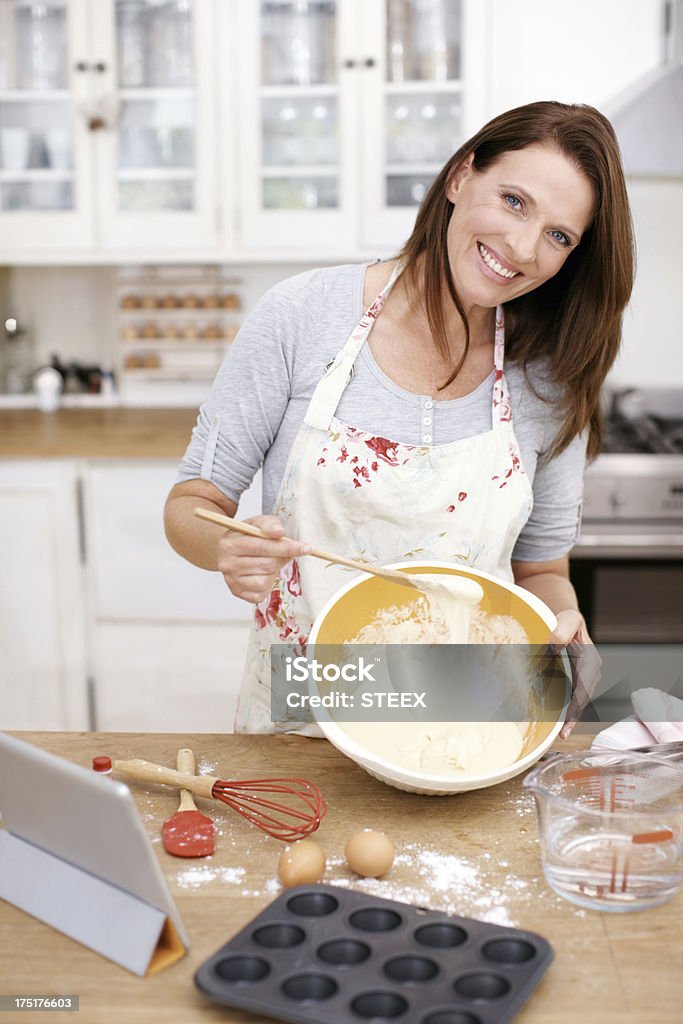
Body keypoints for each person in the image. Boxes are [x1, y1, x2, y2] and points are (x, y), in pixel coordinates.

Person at [165, 101, 634, 736]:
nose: (522, 248)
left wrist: (562, 621)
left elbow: (542, 571)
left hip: (470, 720)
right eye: (514, 201)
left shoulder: (553, 376)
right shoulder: (301, 317)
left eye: (558, 236)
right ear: (461, 177)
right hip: (307, 712)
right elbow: (192, 501)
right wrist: (227, 544)